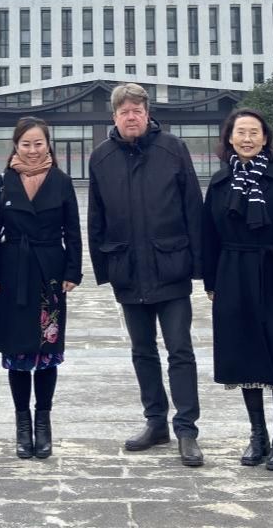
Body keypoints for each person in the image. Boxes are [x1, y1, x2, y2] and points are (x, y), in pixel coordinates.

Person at [88, 82, 205, 467]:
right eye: (124, 112)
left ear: (147, 113)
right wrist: (105, 268)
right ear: (114, 117)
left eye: (137, 110)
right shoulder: (101, 157)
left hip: (170, 267)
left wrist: (200, 266)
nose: (131, 117)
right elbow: (96, 218)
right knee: (142, 351)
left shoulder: (173, 149)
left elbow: (193, 207)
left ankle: (186, 429)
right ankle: (155, 422)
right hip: (128, 270)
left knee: (180, 350)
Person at [202, 108, 273, 471]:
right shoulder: (220, 182)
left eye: (254, 132)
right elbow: (208, 236)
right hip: (232, 275)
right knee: (244, 352)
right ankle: (258, 434)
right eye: (241, 132)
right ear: (230, 138)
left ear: (265, 139)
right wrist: (211, 282)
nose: (248, 138)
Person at [0, 117, 83, 460]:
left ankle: (43, 421)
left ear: (48, 144)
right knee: (18, 351)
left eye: (39, 143)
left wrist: (73, 270)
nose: (33, 150)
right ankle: (22, 423)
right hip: (12, 273)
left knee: (47, 350)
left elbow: (73, 231)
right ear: (16, 146)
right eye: (26, 144)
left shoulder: (61, 181)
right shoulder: (2, 183)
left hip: (50, 272)